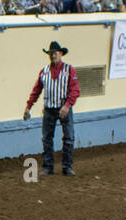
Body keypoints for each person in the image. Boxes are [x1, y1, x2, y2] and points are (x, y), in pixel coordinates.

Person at [23, 40, 80, 176]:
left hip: (63, 107)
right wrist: (28, 106)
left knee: (69, 137)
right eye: (51, 54)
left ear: (60, 54)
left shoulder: (69, 69)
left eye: (55, 53)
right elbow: (36, 90)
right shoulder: (44, 72)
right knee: (47, 138)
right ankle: (48, 166)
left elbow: (75, 90)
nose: (53, 56)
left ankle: (67, 166)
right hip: (49, 108)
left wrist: (67, 105)